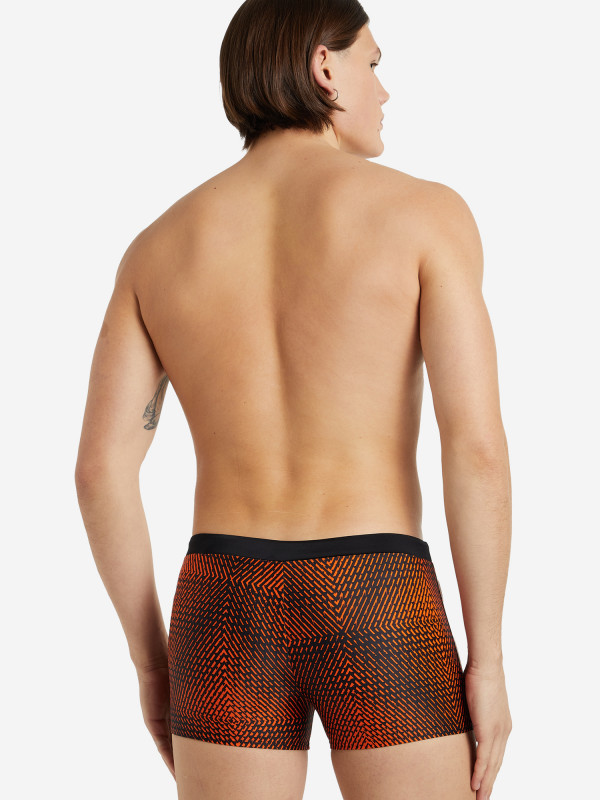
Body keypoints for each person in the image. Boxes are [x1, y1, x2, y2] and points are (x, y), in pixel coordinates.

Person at [74, 0, 512, 798]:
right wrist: (487, 660)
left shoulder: (158, 247)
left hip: (222, 601)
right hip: (375, 591)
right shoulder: (424, 214)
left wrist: (152, 665)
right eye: (372, 64)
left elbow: (101, 472)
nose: (384, 89)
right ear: (323, 66)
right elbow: (475, 448)